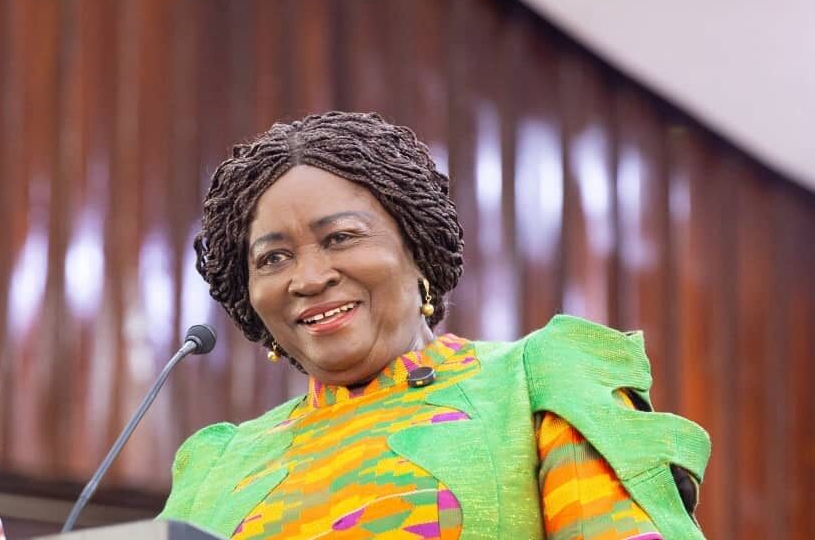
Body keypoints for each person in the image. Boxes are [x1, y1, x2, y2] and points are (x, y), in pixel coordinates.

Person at [160, 112, 709, 539]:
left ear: (417, 250)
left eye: (341, 238)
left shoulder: (535, 386)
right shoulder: (216, 467)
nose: (308, 278)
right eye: (273, 258)